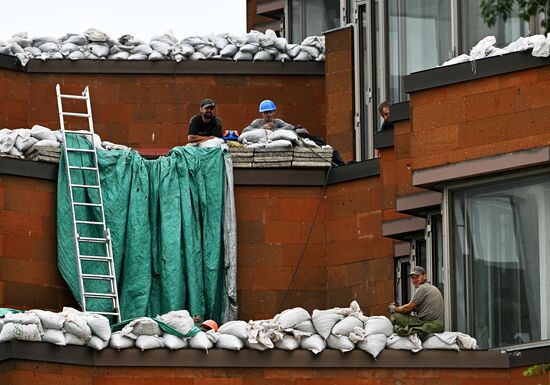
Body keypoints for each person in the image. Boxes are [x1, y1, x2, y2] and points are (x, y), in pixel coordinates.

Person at [389, 266, 444, 340]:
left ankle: (399, 331)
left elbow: (408, 308)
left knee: (395, 316)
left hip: (427, 324)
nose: (414, 280)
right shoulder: (432, 287)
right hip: (436, 325)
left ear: (424, 276)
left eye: (417, 276)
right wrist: (401, 308)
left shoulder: (422, 288)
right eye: (412, 277)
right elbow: (411, 308)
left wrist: (394, 308)